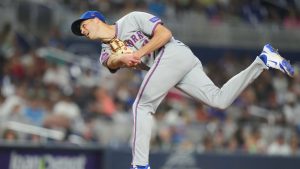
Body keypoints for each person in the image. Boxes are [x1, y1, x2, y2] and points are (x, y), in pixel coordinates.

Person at [71, 11, 294, 169]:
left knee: (142, 105)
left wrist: (138, 54)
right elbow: (112, 61)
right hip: (170, 66)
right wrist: (123, 57)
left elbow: (165, 34)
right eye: (81, 30)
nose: (83, 30)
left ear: (95, 19)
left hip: (174, 52)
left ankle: (140, 165)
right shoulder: (104, 51)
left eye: (83, 25)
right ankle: (263, 60)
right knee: (219, 100)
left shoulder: (131, 18)